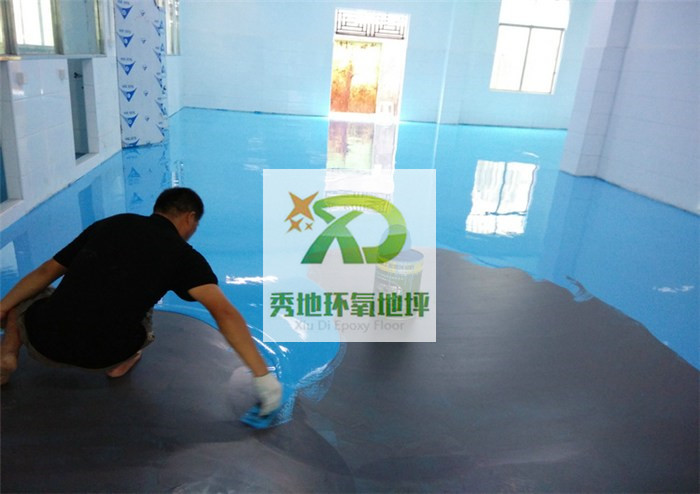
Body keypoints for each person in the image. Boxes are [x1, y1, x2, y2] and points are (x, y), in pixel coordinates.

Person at [0, 187, 281, 415]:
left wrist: (2, 308)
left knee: (29, 294)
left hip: (44, 341)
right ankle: (121, 362)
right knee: (144, 310)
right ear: (190, 217)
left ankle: (8, 354)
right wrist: (262, 376)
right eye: (196, 224)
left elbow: (45, 272)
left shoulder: (109, 224)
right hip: (104, 355)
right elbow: (224, 313)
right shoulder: (185, 257)